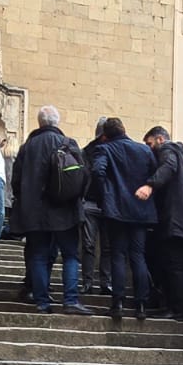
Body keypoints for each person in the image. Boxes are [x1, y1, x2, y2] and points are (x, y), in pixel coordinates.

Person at [10, 105, 91, 314]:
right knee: (71, 255)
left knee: (38, 255)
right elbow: (83, 177)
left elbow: (16, 181)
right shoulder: (67, 143)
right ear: (57, 122)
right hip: (65, 210)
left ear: (39, 123)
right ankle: (71, 300)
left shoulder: (27, 147)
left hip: (34, 212)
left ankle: (42, 302)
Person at [90, 118, 157, 319]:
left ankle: (117, 303)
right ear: (124, 130)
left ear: (105, 135)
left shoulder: (105, 149)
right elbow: (154, 174)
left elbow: (97, 171)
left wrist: (105, 194)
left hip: (117, 211)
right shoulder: (144, 150)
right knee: (138, 255)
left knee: (118, 255)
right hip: (141, 210)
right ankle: (141, 305)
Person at [143, 126, 183, 319]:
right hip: (177, 222)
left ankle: (178, 310)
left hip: (175, 223)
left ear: (159, 139)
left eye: (149, 144)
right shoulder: (175, 154)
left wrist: (150, 184)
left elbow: (168, 167)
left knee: (175, 268)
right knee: (169, 266)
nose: (149, 149)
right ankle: (171, 307)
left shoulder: (168, 150)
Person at [80, 118, 111, 293]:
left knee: (106, 246)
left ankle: (105, 282)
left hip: (105, 203)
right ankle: (89, 281)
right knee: (89, 244)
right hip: (92, 201)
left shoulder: (110, 150)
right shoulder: (87, 152)